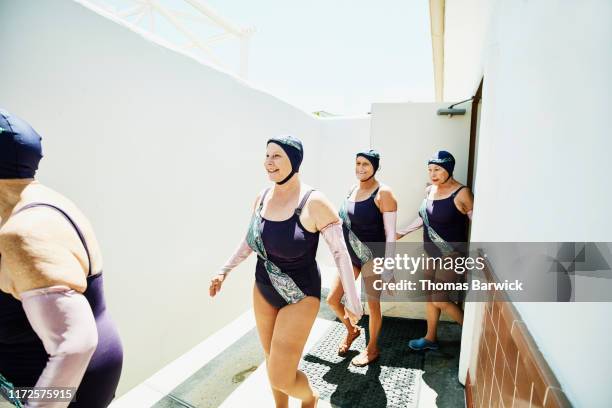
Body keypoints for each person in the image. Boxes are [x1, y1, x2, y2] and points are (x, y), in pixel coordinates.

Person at [209, 136, 363, 408]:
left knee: (281, 375)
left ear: (294, 160)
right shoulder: (263, 196)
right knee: (272, 362)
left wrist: (352, 300)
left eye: (277, 155)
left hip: (301, 296)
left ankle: (310, 397)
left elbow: (341, 254)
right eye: (267, 155)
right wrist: (225, 270)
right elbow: (250, 239)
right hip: (263, 289)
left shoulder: (314, 201)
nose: (269, 162)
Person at [0, 109, 123, 407]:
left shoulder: (21, 232)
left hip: (62, 386)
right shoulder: (49, 200)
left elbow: (74, 345)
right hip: (90, 372)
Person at [396, 150, 473, 351]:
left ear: (448, 169)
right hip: (430, 253)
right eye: (430, 169)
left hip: (452, 255)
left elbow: (478, 225)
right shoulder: (430, 191)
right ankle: (430, 338)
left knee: (440, 299)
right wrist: (401, 233)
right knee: (430, 296)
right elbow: (424, 218)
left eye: (437, 169)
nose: (433, 174)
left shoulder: (462, 193)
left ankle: (473, 338)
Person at [326, 150, 397, 366]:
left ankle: (372, 349)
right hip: (351, 256)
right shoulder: (352, 189)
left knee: (372, 305)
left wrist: (389, 268)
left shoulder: (384, 193)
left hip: (372, 256)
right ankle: (352, 330)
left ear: (375, 167)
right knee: (332, 299)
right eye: (358, 163)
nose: (361, 168)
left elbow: (391, 234)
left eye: (366, 164)